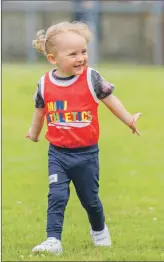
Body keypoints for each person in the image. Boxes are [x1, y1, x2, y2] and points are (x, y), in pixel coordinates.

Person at [26, 21, 141, 255]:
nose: (81, 58)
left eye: (84, 52)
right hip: (57, 153)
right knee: (57, 196)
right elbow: (40, 111)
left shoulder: (92, 78)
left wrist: (129, 119)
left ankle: (98, 230)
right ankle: (53, 240)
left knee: (90, 200)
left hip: (86, 154)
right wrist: (34, 133)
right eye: (73, 54)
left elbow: (111, 101)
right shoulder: (44, 83)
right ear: (53, 59)